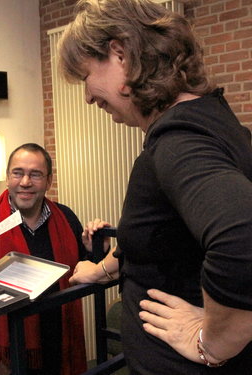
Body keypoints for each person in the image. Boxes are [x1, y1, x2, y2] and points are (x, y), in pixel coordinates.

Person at [58, 0, 252, 374]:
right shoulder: (215, 121)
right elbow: (166, 238)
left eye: (85, 77)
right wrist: (102, 269)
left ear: (121, 56)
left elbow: (242, 239)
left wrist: (211, 341)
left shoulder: (179, 138)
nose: (86, 97)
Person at [0, 143, 99, 375]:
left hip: (60, 353)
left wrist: (95, 251)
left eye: (35, 174)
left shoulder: (67, 219)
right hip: (7, 361)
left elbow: (82, 274)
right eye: (18, 173)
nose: (25, 182)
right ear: (7, 178)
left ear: (49, 181)